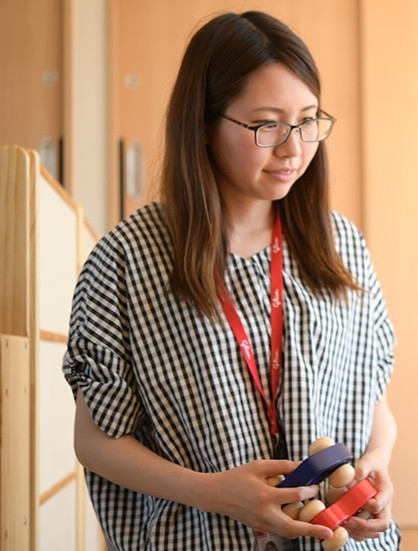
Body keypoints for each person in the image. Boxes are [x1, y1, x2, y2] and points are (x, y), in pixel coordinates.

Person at [63, 11, 399, 550]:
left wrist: (376, 467)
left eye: (309, 120)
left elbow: (371, 397)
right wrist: (215, 493)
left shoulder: (341, 245)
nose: (294, 149)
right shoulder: (127, 258)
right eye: (268, 125)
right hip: (203, 537)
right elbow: (96, 441)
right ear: (203, 123)